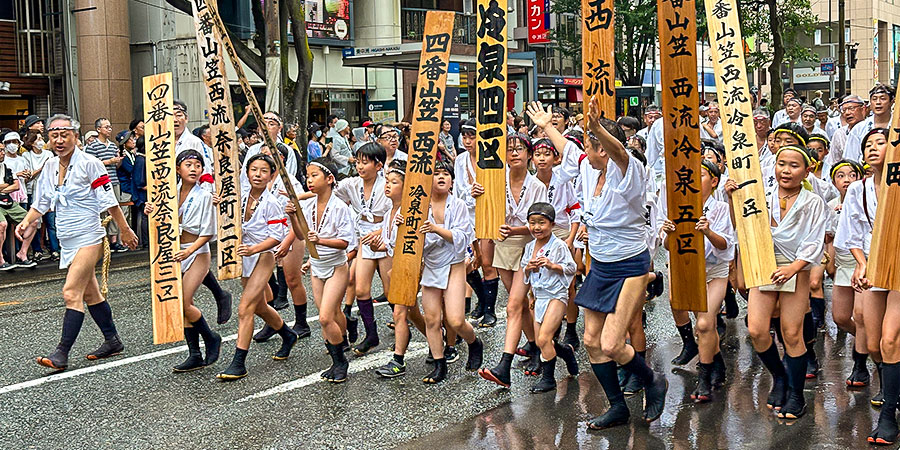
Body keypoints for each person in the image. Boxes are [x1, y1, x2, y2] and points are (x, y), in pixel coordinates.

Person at [573, 96, 668, 428]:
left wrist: (597, 125)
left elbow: (621, 153)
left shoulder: (631, 170)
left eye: (592, 145)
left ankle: (653, 380)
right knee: (591, 341)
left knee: (613, 344)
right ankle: (617, 406)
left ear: (603, 147)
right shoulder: (588, 167)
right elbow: (571, 148)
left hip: (630, 264)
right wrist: (545, 127)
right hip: (600, 264)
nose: (586, 151)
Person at [18, 114, 138, 370]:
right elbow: (41, 202)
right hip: (67, 238)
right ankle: (112, 340)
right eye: (54, 136)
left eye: (65, 135)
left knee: (71, 292)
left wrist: (125, 230)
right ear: (48, 138)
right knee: (91, 293)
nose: (59, 140)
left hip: (89, 235)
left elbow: (108, 201)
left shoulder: (90, 163)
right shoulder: (50, 166)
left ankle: (61, 353)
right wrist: (26, 221)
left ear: (75, 135)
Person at [727, 144, 826, 419]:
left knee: (791, 332)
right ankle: (779, 376)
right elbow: (742, 229)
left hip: (797, 268)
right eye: (781, 163)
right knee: (757, 329)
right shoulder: (761, 196)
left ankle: (796, 394)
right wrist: (732, 199)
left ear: (807, 170)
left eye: (794, 165)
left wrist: (793, 268)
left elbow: (813, 243)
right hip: (763, 264)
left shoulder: (813, 202)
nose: (786, 170)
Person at [217, 154, 298, 380]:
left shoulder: (272, 203)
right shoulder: (239, 198)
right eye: (254, 170)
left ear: (271, 175)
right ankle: (287, 333)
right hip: (245, 256)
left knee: (245, 308)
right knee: (260, 306)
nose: (258, 175)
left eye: (264, 171)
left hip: (263, 256)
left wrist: (254, 250)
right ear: (247, 172)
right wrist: (217, 203)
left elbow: (276, 236)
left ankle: (239, 362)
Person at [477, 133, 548, 386]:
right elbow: (482, 211)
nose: (515, 153)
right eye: (510, 149)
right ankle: (537, 347)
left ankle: (504, 365)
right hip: (502, 246)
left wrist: (515, 230)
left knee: (513, 306)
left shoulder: (537, 185)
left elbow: (542, 224)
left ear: (529, 154)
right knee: (519, 305)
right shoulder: (495, 182)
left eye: (520, 149)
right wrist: (477, 195)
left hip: (529, 246)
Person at [661, 160, 734, 402]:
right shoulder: (678, 206)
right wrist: (668, 232)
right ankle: (717, 364)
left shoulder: (720, 208)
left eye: (700, 175)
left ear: (713, 181)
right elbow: (666, 245)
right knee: (705, 326)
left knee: (704, 324)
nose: (693, 180)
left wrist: (708, 231)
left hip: (715, 273)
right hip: (688, 272)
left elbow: (725, 245)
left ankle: (703, 377)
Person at [144, 150, 222, 372]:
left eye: (198, 165)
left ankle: (211, 337)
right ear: (177, 169)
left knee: (183, 301)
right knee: (182, 305)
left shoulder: (206, 196)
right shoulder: (167, 193)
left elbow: (207, 233)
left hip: (197, 252)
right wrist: (149, 209)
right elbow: (158, 223)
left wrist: (189, 252)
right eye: (188, 165)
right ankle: (195, 353)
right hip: (173, 250)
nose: (194, 169)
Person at [415, 160, 483, 383]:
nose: (441, 177)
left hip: (454, 264)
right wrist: (401, 223)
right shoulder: (418, 206)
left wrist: (436, 229)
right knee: (432, 320)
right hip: (430, 265)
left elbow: (463, 238)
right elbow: (408, 241)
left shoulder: (459, 205)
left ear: (452, 180)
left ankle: (474, 342)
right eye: (436, 174)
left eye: (446, 174)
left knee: (455, 320)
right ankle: (439, 364)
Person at [295, 158, 354, 383]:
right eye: (307, 176)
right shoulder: (308, 206)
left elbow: (345, 242)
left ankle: (341, 362)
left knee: (324, 317)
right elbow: (301, 236)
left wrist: (321, 240)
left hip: (337, 265)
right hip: (317, 266)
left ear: (330, 179)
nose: (309, 180)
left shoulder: (340, 207)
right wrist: (293, 215)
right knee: (328, 317)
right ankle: (339, 352)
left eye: (314, 175)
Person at [174, 100, 233, 324]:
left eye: (179, 114)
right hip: (173, 205)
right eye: (171, 115)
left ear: (186, 118)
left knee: (185, 299)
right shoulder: (160, 142)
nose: (176, 119)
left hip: (195, 210)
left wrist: (210, 196)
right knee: (178, 300)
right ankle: (219, 295)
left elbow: (205, 172)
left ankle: (220, 298)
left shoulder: (193, 142)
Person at [330, 142, 392, 355]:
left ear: (379, 165)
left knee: (390, 291)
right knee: (361, 289)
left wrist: (381, 233)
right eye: (358, 162)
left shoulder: (388, 185)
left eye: (365, 162)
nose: (360, 166)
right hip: (364, 238)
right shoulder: (351, 184)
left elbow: (397, 212)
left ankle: (403, 326)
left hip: (384, 236)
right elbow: (330, 196)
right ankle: (371, 334)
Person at [372, 159, 428, 378]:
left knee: (400, 312)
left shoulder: (409, 212)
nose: (388, 185)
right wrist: (381, 243)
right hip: (397, 267)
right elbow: (391, 243)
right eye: (387, 181)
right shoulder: (389, 214)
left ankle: (398, 360)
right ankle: (438, 340)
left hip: (410, 267)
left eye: (394, 182)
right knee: (411, 312)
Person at [520, 202, 579, 393]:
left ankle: (549, 379)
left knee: (545, 338)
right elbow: (524, 271)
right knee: (540, 341)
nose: (537, 227)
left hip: (556, 295)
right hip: (539, 296)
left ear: (552, 224)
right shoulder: (529, 247)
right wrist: (529, 269)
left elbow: (572, 268)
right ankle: (566, 352)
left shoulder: (559, 246)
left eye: (542, 223)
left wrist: (552, 265)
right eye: (532, 223)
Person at [826, 159, 868, 387]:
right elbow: (829, 238)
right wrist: (828, 264)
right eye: (841, 176)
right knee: (841, 317)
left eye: (852, 175)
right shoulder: (831, 205)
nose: (846, 180)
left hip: (864, 262)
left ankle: (860, 364)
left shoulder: (866, 199)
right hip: (843, 263)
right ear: (833, 181)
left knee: (860, 315)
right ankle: (870, 339)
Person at [85, 118, 127, 253]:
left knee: (116, 210)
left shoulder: (114, 146)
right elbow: (90, 165)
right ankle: (102, 241)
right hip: (99, 182)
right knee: (101, 211)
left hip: (113, 180)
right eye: (106, 127)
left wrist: (119, 160)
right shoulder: (92, 146)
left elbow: (117, 166)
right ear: (98, 129)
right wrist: (110, 161)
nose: (109, 129)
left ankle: (114, 240)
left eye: (110, 127)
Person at [845, 84, 895, 164]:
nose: (878, 102)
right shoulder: (859, 129)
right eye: (874, 99)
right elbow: (850, 159)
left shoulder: (897, 125)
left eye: (883, 99)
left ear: (892, 101)